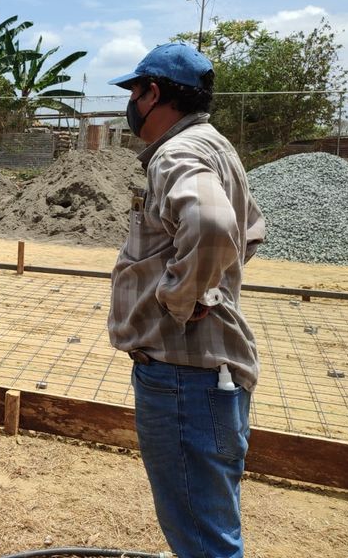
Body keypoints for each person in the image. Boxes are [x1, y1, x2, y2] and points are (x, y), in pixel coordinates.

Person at [107, 43, 266, 558]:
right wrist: (207, 282)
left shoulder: (177, 153)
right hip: (208, 373)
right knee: (210, 523)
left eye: (134, 92)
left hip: (183, 374)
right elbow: (250, 231)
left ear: (153, 94)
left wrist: (182, 297)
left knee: (202, 538)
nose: (131, 105)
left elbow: (214, 225)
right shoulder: (217, 147)